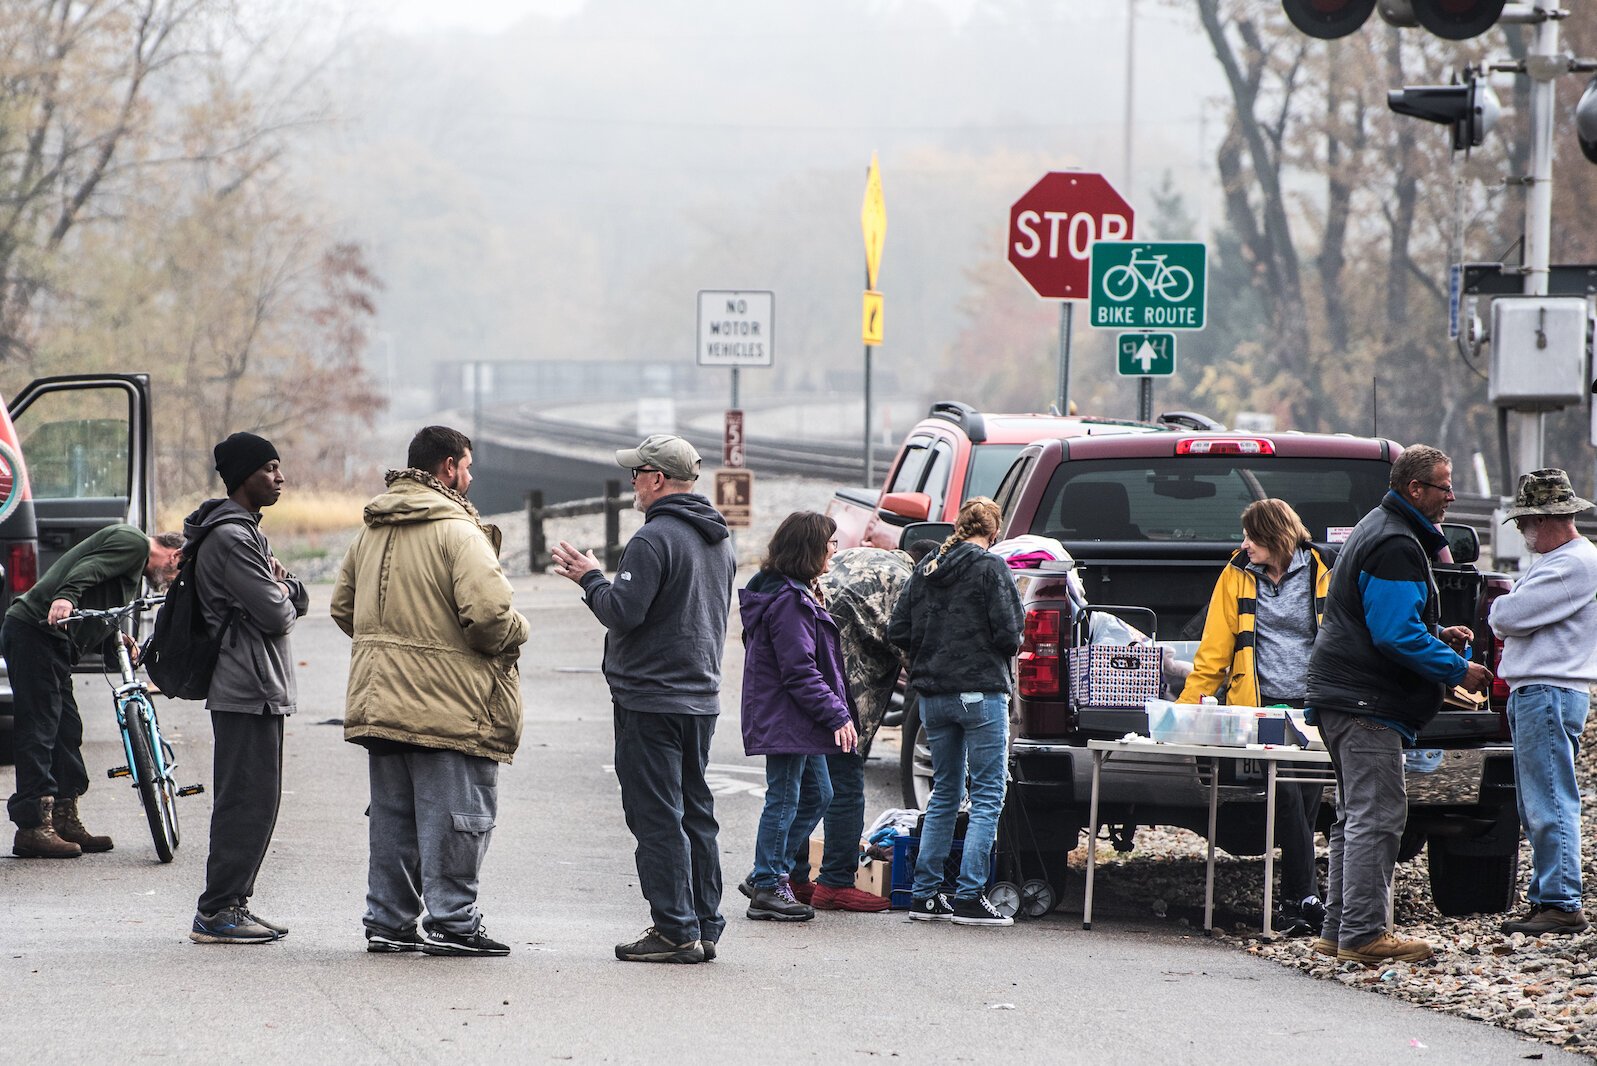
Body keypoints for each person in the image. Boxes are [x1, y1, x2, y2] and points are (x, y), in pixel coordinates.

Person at [331, 426, 530, 957]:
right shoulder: (458, 532)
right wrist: (518, 634)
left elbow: (342, 609)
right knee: (458, 817)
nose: (471, 476)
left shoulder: (370, 530)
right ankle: (452, 922)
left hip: (380, 701)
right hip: (449, 705)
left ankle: (388, 922)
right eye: (467, 466)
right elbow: (490, 617)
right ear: (447, 468)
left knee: (394, 819)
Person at [550, 433, 736, 964]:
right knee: (696, 813)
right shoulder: (720, 539)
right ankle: (704, 924)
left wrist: (589, 578)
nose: (631, 481)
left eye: (637, 472)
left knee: (657, 817)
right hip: (699, 697)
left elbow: (622, 612)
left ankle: (675, 930)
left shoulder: (654, 540)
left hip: (650, 700)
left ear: (656, 479)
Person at [1305, 445, 1491, 964]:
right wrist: (1459, 669)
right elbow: (1393, 636)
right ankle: (1365, 934)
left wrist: (1436, 632)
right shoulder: (1395, 543)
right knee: (1378, 815)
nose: (1452, 496)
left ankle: (1338, 930)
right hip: (1366, 701)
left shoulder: (1381, 527)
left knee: (1353, 816)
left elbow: (1385, 621)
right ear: (1415, 490)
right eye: (1444, 486)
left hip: (1344, 696)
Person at [1178, 499, 1333, 936]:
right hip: (1262, 709)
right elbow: (1213, 653)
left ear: (1277, 538)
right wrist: (1185, 713)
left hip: (1314, 708)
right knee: (1286, 796)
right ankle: (1303, 899)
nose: (1244, 544)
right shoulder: (1236, 574)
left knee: (1303, 803)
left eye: (1253, 537)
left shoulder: (1324, 569)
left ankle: (1293, 904)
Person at [186, 432, 310, 945]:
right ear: (244, 476)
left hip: (256, 685)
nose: (280, 478)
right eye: (270, 469)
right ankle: (217, 911)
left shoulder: (247, 534)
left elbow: (293, 597)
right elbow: (280, 611)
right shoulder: (234, 539)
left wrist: (284, 588)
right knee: (246, 801)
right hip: (246, 685)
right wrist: (283, 589)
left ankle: (230, 905)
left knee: (257, 799)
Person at [4, 527, 182, 858]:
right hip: (33, 631)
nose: (169, 582)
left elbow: (98, 604)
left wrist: (114, 637)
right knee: (39, 729)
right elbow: (89, 569)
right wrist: (65, 596)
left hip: (53, 642)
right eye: (176, 573)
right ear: (175, 555)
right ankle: (32, 827)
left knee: (66, 730)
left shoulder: (132, 566)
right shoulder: (133, 542)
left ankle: (64, 819)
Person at [888, 497, 1023, 927]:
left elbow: (898, 630)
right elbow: (1010, 633)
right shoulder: (991, 568)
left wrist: (924, 666)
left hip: (933, 697)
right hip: (981, 694)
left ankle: (925, 895)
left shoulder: (927, 567)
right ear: (993, 532)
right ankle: (969, 895)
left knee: (945, 792)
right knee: (986, 795)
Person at [1489, 469, 1597, 936]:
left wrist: (1504, 609)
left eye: (1525, 522)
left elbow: (1506, 614)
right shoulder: (1565, 561)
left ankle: (1560, 900)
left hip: (1548, 692)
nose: (1524, 533)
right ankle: (1549, 896)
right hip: (1542, 693)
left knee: (1550, 798)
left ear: (1546, 518)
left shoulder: (1572, 564)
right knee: (1541, 799)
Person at [737, 511, 859, 921]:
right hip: (787, 716)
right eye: (830, 545)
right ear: (810, 549)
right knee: (786, 796)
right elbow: (799, 669)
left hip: (794, 716)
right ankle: (770, 884)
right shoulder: (788, 599)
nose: (834, 551)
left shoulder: (793, 591)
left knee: (817, 794)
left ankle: (765, 873)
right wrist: (837, 715)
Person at [780, 545, 914, 912]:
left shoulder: (855, 557)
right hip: (841, 687)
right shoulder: (901, 582)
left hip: (804, 670)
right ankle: (836, 882)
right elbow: (911, 649)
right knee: (845, 783)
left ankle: (792, 876)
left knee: (805, 783)